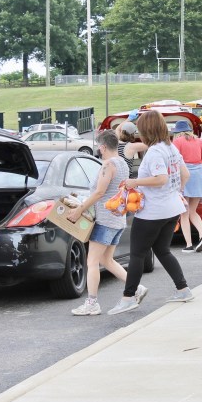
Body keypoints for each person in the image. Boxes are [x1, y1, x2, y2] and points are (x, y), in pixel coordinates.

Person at [108, 110, 193, 315]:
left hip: (153, 211)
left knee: (137, 254)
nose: (138, 132)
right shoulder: (170, 147)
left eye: (140, 129)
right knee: (163, 251)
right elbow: (185, 174)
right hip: (171, 208)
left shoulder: (155, 152)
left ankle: (128, 298)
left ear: (147, 130)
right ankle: (183, 289)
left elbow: (160, 178)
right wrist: (176, 192)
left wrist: (134, 182)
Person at [67, 130, 148, 315]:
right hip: (118, 219)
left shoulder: (109, 165)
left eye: (98, 147)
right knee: (107, 260)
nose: (98, 150)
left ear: (103, 147)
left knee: (92, 261)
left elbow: (99, 192)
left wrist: (79, 209)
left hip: (105, 219)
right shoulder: (122, 164)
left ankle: (92, 303)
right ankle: (136, 287)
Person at [172, 120, 202, 253]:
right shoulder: (199, 141)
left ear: (177, 132)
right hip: (199, 175)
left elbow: (173, 160)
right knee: (193, 211)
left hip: (185, 176)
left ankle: (188, 245)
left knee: (184, 213)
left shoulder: (178, 142)